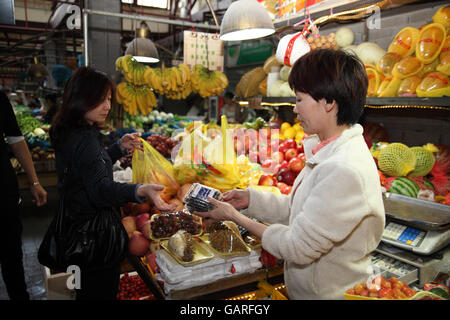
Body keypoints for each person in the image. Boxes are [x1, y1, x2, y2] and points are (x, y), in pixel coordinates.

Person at [194, 49, 385, 300]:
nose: (295, 109)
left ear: (329, 102)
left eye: (299, 99)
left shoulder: (343, 168)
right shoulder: (327, 150)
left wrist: (235, 217)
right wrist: (251, 200)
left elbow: (297, 247)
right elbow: (302, 210)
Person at [49, 67, 176, 300]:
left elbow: (87, 169)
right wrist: (139, 189)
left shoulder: (67, 130)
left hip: (74, 222)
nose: (107, 106)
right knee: (98, 292)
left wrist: (116, 149)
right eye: (100, 99)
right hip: (93, 237)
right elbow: (99, 190)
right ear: (81, 98)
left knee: (84, 290)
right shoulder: (86, 139)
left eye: (108, 99)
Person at [0, 90, 48, 300]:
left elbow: (16, 139)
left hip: (2, 190)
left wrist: (34, 181)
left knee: (11, 253)